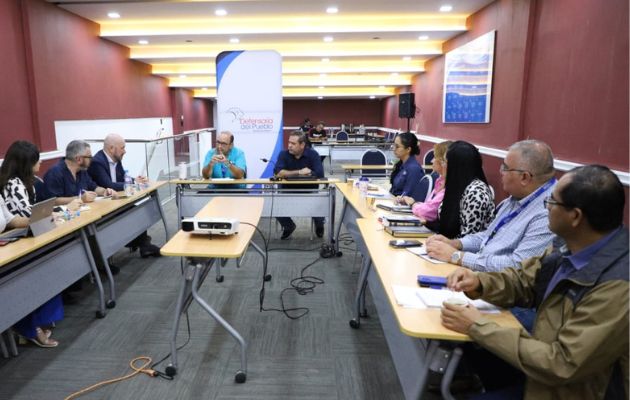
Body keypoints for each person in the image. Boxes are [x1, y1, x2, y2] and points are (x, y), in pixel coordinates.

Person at [441, 165, 628, 399]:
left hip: (570, 389)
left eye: (552, 202)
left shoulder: (618, 285)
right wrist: (479, 282)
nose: (546, 207)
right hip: (545, 376)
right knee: (476, 351)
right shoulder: (566, 245)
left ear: (575, 216)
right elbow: (524, 280)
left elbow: (562, 363)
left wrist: (477, 326)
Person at [426, 140, 556, 272]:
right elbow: (488, 236)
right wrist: (456, 243)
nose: (501, 172)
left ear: (524, 177)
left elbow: (518, 267)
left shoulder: (548, 212)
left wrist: (456, 256)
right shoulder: (516, 198)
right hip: (480, 272)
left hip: (499, 285)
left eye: (505, 168)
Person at [0, 140, 63, 348]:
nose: (40, 163)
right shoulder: (12, 184)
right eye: (36, 160)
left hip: (12, 238)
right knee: (34, 274)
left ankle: (37, 321)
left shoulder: (25, 181)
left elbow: (11, 219)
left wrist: (43, 216)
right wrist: (39, 218)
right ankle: (29, 326)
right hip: (11, 244)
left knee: (48, 266)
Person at [87, 133, 161, 258]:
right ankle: (141, 244)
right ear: (111, 148)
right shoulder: (97, 162)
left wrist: (135, 180)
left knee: (137, 211)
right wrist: (133, 183)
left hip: (117, 199)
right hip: (104, 203)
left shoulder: (116, 159)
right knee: (130, 213)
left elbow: (122, 178)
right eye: (122, 148)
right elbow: (108, 185)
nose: (125, 151)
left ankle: (144, 244)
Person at [425, 141, 495, 238]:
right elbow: (447, 225)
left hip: (460, 250)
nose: (442, 165)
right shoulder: (456, 185)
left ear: (457, 165)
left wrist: (443, 244)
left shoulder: (476, 193)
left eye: (445, 162)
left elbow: (470, 240)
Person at [274, 131, 325, 239]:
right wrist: (300, 172)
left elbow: (320, 173)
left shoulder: (313, 154)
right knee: (274, 205)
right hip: (287, 192)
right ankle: (289, 226)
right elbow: (278, 172)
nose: (289, 146)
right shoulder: (283, 154)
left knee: (321, 204)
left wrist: (288, 173)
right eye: (289, 143)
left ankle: (319, 224)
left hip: (309, 192)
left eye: (293, 143)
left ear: (302, 145)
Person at [41, 140, 115, 207]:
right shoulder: (55, 173)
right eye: (89, 157)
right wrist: (80, 198)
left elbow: (94, 187)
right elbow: (53, 201)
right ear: (79, 159)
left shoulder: (82, 171)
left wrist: (105, 191)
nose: (91, 160)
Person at [399, 140, 452, 222]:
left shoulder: (448, 186)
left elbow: (427, 212)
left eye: (435, 157)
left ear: (443, 162)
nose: (432, 161)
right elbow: (428, 205)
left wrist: (413, 204)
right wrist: (412, 202)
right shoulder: (440, 181)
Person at [390, 132, 426, 201]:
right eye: (394, 145)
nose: (394, 149)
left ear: (408, 149)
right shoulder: (401, 165)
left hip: (402, 206)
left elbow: (407, 196)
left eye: (397, 146)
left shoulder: (413, 169)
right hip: (395, 201)